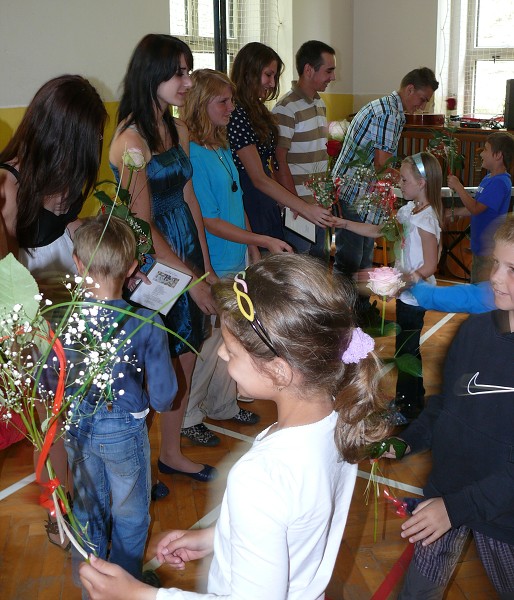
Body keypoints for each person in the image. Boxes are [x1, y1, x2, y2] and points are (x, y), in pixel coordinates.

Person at [78, 253, 392, 599]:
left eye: (231, 350)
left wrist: (140, 595)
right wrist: (220, 535)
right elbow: (296, 525)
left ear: (278, 370)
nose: (223, 357)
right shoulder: (339, 420)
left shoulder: (262, 476)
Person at [382, 214, 514, 599]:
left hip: (503, 519)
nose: (495, 277)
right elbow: (444, 407)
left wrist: (456, 509)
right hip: (444, 496)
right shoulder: (473, 330)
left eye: (512, 270)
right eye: (496, 264)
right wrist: (407, 441)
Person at [0, 74, 107, 547]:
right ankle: (59, 508)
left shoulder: (63, 176)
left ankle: (82, 494)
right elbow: (10, 277)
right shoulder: (6, 183)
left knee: (81, 406)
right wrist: (36, 319)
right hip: (30, 307)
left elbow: (64, 232)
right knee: (52, 416)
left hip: (68, 290)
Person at [109, 34, 218, 481]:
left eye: (188, 71)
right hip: (154, 263)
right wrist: (191, 278)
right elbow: (143, 225)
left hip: (187, 251)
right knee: (151, 367)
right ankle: (135, 469)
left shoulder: (178, 129)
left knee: (186, 355)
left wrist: (205, 268)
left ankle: (170, 453)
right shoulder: (130, 141)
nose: (187, 82)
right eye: (179, 72)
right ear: (152, 75)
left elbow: (191, 203)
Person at [52, 215, 177, 585]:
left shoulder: (61, 318)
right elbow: (165, 394)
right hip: (123, 432)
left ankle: (91, 585)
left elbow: (48, 379)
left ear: (77, 263)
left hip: (77, 427)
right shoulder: (147, 321)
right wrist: (158, 404)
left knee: (89, 508)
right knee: (132, 514)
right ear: (133, 266)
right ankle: (123, 586)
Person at [180, 69, 292, 446]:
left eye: (231, 100)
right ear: (200, 105)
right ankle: (190, 415)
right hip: (215, 259)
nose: (231, 108)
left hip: (237, 255)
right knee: (209, 346)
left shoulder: (221, 144)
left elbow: (237, 199)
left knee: (233, 340)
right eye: (222, 102)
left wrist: (253, 247)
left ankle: (223, 403)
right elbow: (208, 220)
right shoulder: (193, 153)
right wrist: (258, 237)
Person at [337, 152, 443, 420]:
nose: (401, 185)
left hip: (417, 295)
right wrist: (344, 223)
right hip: (406, 293)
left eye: (405, 180)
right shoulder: (409, 211)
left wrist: (398, 281)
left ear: (422, 183)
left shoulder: (425, 220)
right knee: (408, 348)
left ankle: (407, 407)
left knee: (406, 351)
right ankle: (414, 400)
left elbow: (430, 265)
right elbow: (378, 230)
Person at [332, 67, 439, 322]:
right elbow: (382, 165)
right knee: (351, 258)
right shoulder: (389, 113)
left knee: (364, 254)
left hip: (366, 193)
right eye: (422, 99)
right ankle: (340, 315)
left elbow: (381, 167)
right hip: (355, 192)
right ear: (409, 89)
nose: (422, 107)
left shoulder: (392, 110)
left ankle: (359, 309)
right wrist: (411, 182)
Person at [227, 42, 335, 244]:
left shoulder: (258, 110)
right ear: (249, 72)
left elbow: (270, 166)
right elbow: (259, 176)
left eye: (275, 77)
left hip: (269, 197)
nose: (272, 83)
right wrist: (300, 206)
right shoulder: (237, 113)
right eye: (268, 75)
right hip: (250, 196)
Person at [272, 40, 336, 258]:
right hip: (299, 211)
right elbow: (279, 161)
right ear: (309, 70)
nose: (333, 77)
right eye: (329, 71)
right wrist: (295, 205)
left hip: (319, 206)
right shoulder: (286, 108)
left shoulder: (319, 103)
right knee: (300, 270)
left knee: (319, 269)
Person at [447, 131, 514, 283]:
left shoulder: (499, 183)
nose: (481, 154)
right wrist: (453, 212)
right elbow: (477, 208)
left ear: (498, 155)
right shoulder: (489, 178)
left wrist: (458, 187)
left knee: (483, 291)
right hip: (480, 247)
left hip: (489, 250)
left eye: (485, 149)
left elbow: (476, 208)